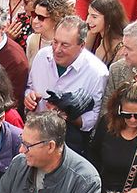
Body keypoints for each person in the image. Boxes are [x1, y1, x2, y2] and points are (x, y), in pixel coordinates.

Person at [25, 14, 110, 145]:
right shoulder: (42, 56)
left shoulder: (97, 72)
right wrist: (29, 98)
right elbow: (30, 87)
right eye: (55, 42)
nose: (57, 49)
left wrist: (65, 115)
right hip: (35, 134)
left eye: (65, 45)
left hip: (68, 142)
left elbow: (93, 119)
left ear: (82, 45)